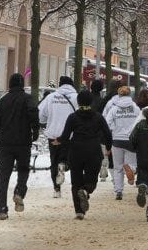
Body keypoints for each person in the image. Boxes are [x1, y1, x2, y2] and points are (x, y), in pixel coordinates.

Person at [0, 73, 39, 219]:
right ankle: (19, 192)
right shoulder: (28, 99)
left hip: (5, 143)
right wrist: (34, 130)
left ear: (10, 84)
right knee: (23, 170)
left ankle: (2, 209)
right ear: (22, 84)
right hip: (23, 142)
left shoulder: (2, 101)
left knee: (3, 176)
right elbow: (33, 114)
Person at [57, 90, 112, 219]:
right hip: (93, 151)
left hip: (75, 151)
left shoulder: (72, 117)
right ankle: (86, 190)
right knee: (91, 178)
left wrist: (58, 141)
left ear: (78, 101)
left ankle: (79, 211)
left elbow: (65, 135)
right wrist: (108, 148)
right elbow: (107, 134)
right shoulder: (98, 117)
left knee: (76, 181)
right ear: (91, 101)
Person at [38, 76, 79, 197]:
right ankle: (65, 165)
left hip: (53, 135)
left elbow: (41, 115)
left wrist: (48, 120)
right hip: (70, 135)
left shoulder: (50, 97)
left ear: (60, 85)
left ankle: (57, 189)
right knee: (68, 158)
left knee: (53, 161)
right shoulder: (76, 98)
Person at [104, 85, 140, 200]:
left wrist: (115, 129)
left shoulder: (114, 108)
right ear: (130, 95)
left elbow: (107, 123)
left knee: (117, 167)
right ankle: (130, 169)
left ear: (119, 95)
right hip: (131, 140)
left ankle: (119, 191)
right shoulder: (135, 108)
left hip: (117, 140)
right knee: (133, 163)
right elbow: (140, 122)